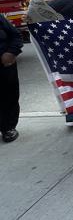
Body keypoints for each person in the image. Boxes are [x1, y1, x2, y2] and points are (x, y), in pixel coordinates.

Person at [0, 14, 23, 142]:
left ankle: (8, 127)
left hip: (4, 65)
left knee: (9, 97)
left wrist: (11, 52)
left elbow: (16, 36)